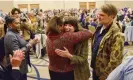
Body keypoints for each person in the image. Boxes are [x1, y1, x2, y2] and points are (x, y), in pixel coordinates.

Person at [46, 16, 92, 80]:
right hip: (66, 72)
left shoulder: (49, 35)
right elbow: (89, 33)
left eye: (70, 25)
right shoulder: (66, 36)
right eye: (65, 25)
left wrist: (70, 56)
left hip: (79, 72)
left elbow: (83, 58)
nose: (67, 27)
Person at [90, 4, 125, 80]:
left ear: (112, 17)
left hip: (106, 74)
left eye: (102, 15)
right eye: (98, 14)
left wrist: (105, 75)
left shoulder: (117, 35)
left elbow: (116, 60)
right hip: (96, 69)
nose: (98, 16)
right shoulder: (99, 28)